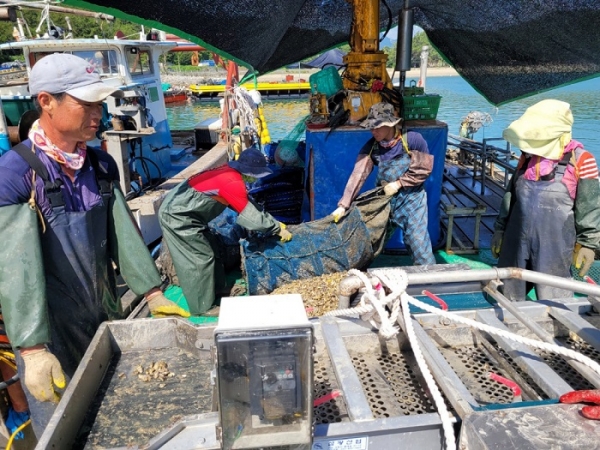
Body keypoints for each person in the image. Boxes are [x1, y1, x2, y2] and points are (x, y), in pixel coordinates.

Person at [0, 53, 189, 437]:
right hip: (48, 331)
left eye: (99, 104)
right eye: (86, 104)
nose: (97, 114)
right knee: (62, 427)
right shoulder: (15, 173)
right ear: (46, 102)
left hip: (103, 315)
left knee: (113, 411)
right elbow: (14, 269)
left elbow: (119, 230)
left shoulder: (101, 165)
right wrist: (32, 350)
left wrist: (152, 293)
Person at [159, 147, 293, 315]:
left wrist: (274, 221)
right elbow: (251, 217)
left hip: (189, 214)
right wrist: (275, 228)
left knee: (213, 248)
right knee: (200, 257)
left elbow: (248, 204)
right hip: (177, 216)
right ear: (249, 172)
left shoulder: (230, 172)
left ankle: (216, 289)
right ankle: (202, 308)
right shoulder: (232, 182)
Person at [491, 99, 600, 301]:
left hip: (555, 245)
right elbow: (511, 197)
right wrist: (500, 229)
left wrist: (588, 244)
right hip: (516, 240)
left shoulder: (582, 160)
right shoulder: (527, 158)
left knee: (554, 298)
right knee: (508, 293)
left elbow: (590, 208)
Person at [330, 102, 436, 265]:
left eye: (378, 127)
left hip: (412, 200)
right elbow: (358, 174)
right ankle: (356, 274)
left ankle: (430, 281)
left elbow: (424, 168)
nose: (374, 131)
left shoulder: (413, 140)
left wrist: (399, 183)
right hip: (384, 201)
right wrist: (343, 205)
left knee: (418, 242)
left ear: (390, 124)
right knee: (368, 241)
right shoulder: (371, 147)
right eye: (371, 127)